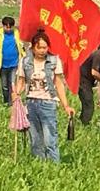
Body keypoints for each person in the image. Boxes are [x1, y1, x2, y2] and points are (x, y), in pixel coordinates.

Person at [14, 30, 75, 162]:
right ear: (33, 47)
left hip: (48, 103)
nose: (42, 50)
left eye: (45, 47)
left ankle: (54, 168)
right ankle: (39, 168)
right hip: (31, 103)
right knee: (35, 140)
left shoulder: (54, 61)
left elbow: (59, 83)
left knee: (50, 139)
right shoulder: (25, 62)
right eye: (39, 47)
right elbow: (21, 81)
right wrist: (16, 93)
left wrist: (66, 105)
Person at [0, 16, 25, 105]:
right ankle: (6, 101)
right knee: (4, 85)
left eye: (10, 27)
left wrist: (24, 58)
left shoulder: (17, 33)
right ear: (3, 26)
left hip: (14, 63)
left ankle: (11, 102)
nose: (8, 29)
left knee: (12, 83)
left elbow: (21, 46)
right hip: (2, 64)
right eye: (6, 27)